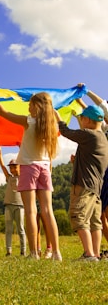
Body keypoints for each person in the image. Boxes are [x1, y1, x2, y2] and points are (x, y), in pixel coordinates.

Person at [0, 89, 62, 261]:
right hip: (45, 168)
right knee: (48, 211)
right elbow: (55, 114)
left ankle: (34, 253)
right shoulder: (54, 125)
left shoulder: (29, 121)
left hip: (29, 167)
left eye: (30, 104)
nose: (28, 107)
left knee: (30, 210)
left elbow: (2, 112)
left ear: (37, 106)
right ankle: (56, 252)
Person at [55, 104, 108, 261]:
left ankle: (89, 254)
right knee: (94, 222)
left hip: (84, 184)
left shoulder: (90, 134)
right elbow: (93, 162)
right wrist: (76, 161)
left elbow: (65, 132)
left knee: (79, 216)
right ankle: (96, 254)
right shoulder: (103, 139)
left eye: (82, 118)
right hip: (96, 187)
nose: (81, 121)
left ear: (88, 120)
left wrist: (57, 117)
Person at [75, 86, 108, 246]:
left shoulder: (100, 129)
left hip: (101, 174)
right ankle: (96, 251)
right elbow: (95, 114)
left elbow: (101, 106)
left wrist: (87, 91)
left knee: (100, 214)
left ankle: (92, 252)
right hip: (100, 174)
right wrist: (80, 101)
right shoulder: (101, 131)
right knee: (100, 214)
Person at [0, 146, 26, 257]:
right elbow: (2, 166)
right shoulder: (9, 177)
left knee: (20, 229)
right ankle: (8, 251)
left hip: (20, 206)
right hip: (8, 206)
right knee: (8, 229)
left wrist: (21, 148)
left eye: (15, 167)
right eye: (11, 168)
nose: (12, 169)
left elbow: (24, 160)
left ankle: (23, 251)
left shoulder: (23, 177)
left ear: (19, 167)